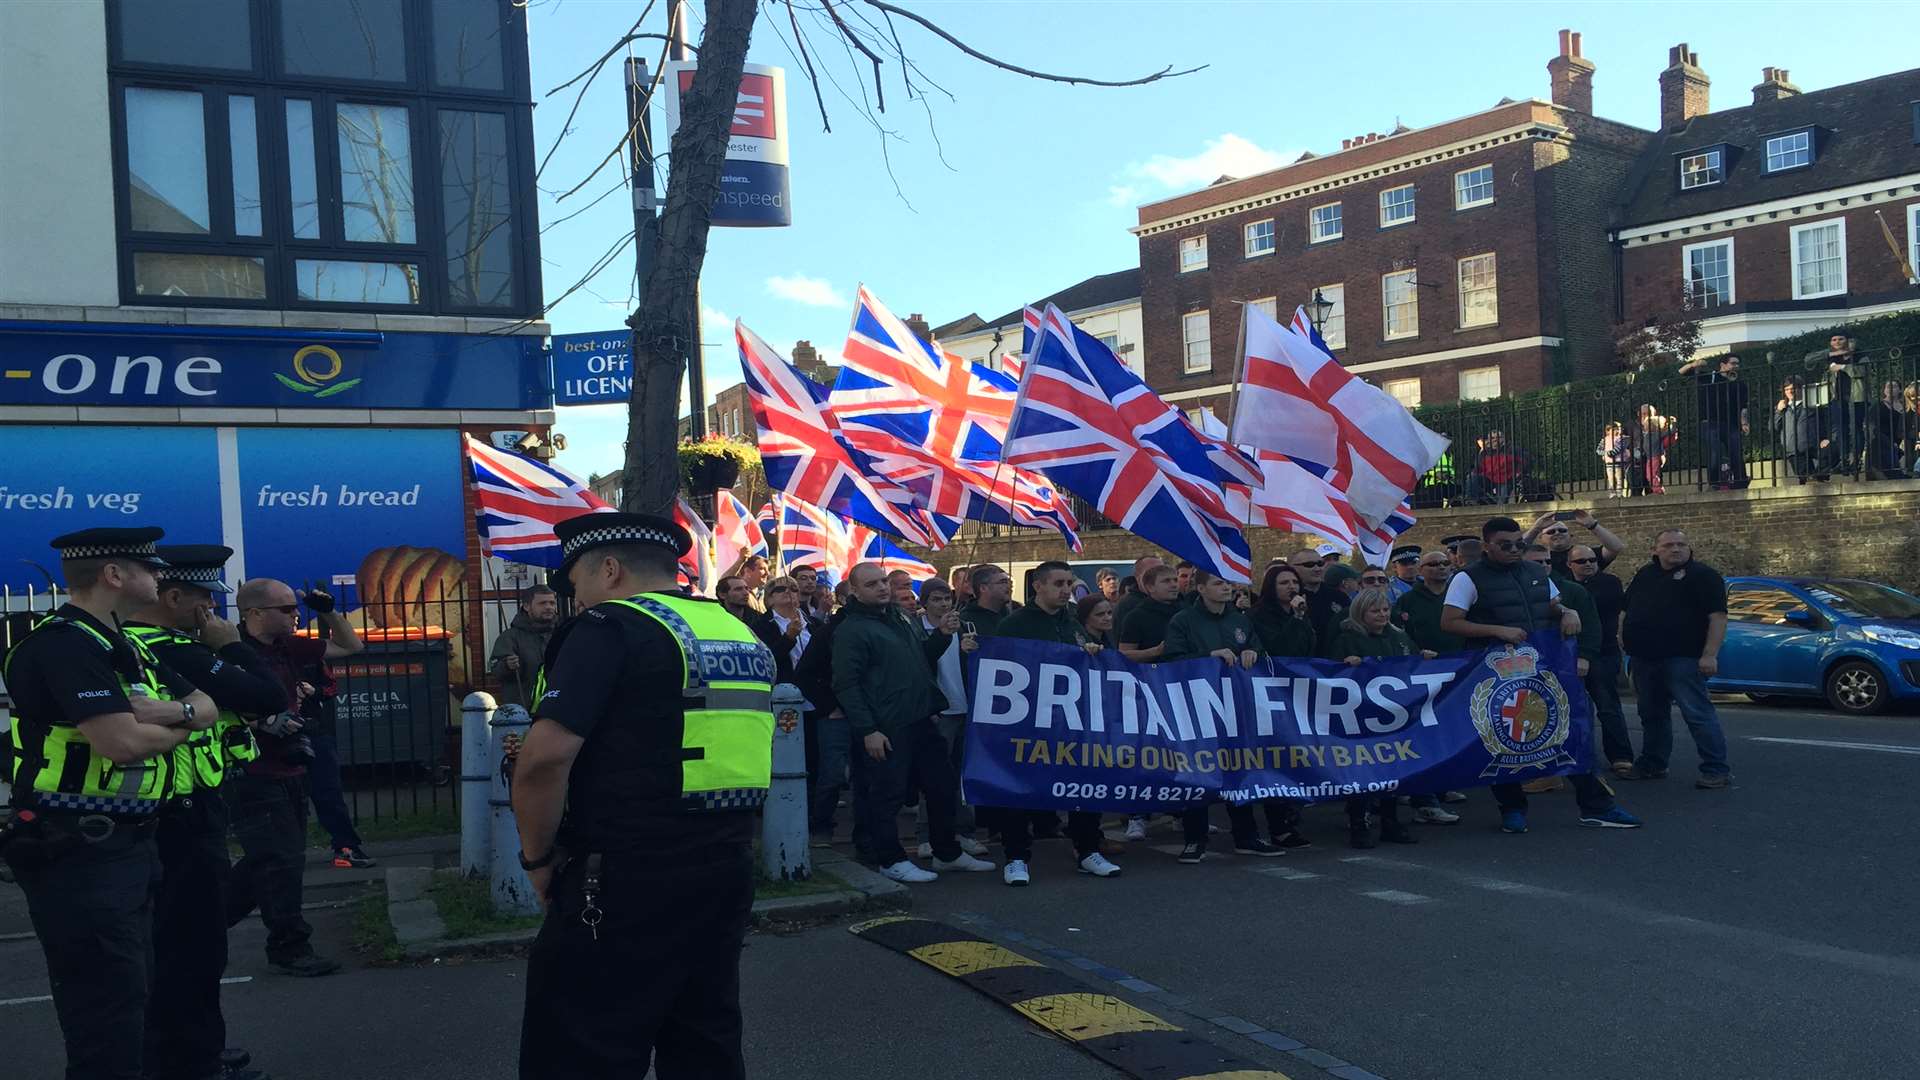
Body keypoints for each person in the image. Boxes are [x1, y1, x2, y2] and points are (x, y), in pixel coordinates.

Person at [513, 512, 776, 1078]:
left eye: (575, 581)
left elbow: (544, 759)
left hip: (623, 875)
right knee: (704, 1041)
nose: (574, 597)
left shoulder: (610, 626)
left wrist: (536, 859)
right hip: (724, 866)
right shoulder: (736, 631)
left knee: (583, 1047)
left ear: (608, 569)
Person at [1, 527, 217, 1080]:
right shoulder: (63, 645)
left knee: (133, 995)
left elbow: (208, 705)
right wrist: (180, 723)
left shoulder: (123, 643)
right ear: (114, 575)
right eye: (149, 568)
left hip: (129, 843)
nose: (160, 577)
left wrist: (171, 716)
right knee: (106, 1010)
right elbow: (120, 742)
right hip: (78, 849)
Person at [125, 545, 283, 1080]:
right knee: (192, 944)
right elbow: (268, 696)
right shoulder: (176, 650)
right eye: (203, 601)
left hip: (171, 810)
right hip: (183, 817)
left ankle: (190, 1049)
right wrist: (234, 646)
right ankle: (192, 1060)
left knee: (174, 942)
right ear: (173, 597)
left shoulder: (132, 645)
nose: (210, 614)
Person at [1438, 516, 1643, 834]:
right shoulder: (1467, 578)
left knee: (1567, 733)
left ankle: (1596, 806)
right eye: (1505, 545)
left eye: (1518, 543)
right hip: (1495, 673)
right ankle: (1513, 809)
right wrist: (1497, 630)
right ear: (1487, 546)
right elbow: (1450, 621)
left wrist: (1567, 612)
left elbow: (1552, 605)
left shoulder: (1535, 571)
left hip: (1541, 666)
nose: (1513, 549)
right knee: (1502, 743)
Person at [834, 563, 995, 884]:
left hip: (920, 718)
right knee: (887, 794)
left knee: (942, 785)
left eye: (883, 581)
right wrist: (868, 730)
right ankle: (890, 858)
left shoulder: (900, 618)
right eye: (871, 584)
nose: (881, 588)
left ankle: (946, 852)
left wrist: (942, 637)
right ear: (855, 591)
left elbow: (922, 656)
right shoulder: (851, 630)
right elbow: (846, 684)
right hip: (886, 724)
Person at [228, 578, 353, 974]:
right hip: (253, 771)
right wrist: (257, 720)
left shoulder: (289, 648)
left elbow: (351, 646)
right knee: (280, 861)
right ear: (254, 613)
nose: (294, 613)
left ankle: (195, 923)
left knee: (271, 860)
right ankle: (290, 945)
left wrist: (327, 610)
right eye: (285, 609)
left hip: (293, 764)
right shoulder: (229, 653)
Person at [989, 561, 1122, 884]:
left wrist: (1091, 653)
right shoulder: (1014, 625)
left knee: (1084, 783)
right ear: (1039, 586)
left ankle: (1087, 849)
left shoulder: (1074, 623)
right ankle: (1017, 856)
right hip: (1028, 720)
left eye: (1068, 583)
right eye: (1058, 583)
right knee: (1019, 789)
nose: (1065, 590)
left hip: (1072, 719)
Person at [1163, 569, 1285, 861]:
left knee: (1239, 768)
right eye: (1219, 583)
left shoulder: (1240, 619)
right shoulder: (1182, 621)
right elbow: (1171, 660)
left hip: (1235, 707)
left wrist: (1252, 653)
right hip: (1197, 708)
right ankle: (1195, 838)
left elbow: (1259, 649)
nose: (1226, 588)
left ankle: (1247, 835)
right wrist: (1208, 658)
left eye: (1228, 583)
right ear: (1201, 588)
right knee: (1198, 771)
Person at [1620, 529, 1733, 789]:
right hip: (1644, 657)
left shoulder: (1704, 576)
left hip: (1684, 657)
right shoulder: (1645, 575)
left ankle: (1716, 769)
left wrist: (1710, 655)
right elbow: (1627, 609)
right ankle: (1653, 763)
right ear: (1656, 550)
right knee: (1651, 713)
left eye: (1681, 544)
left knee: (1697, 713)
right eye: (1669, 545)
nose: (1675, 549)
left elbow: (1718, 617)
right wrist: (1622, 637)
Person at [1322, 587, 1426, 848]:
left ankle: (1391, 822)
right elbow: (1330, 672)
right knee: (1362, 771)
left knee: (1393, 768)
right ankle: (1360, 823)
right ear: (1361, 612)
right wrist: (1346, 664)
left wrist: (1424, 658)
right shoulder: (1348, 638)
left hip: (1395, 714)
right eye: (1375, 610)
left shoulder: (1399, 637)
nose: (1382, 614)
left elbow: (1411, 662)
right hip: (1360, 716)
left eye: (1385, 609)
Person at [913, 580, 986, 860]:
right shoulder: (917, 629)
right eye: (936, 599)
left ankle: (964, 832)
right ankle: (925, 833)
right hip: (939, 711)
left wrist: (969, 652)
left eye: (947, 598)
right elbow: (920, 665)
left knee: (961, 775)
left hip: (964, 706)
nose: (943, 604)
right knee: (932, 777)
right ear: (925, 602)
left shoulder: (964, 626)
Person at [1565, 544, 1632, 776]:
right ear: (1569, 565)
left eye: (1592, 560)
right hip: (1570, 654)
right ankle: (1579, 757)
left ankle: (1620, 756)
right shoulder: (1561, 585)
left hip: (1604, 652)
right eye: (1581, 561)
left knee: (1608, 707)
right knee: (1573, 710)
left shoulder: (1609, 583)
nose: (1589, 564)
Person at [1680, 353, 1750, 490]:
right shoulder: (1710, 377)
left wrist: (1744, 422)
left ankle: (1740, 481)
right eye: (1733, 363)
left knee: (1736, 451)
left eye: (1737, 364)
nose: (1736, 366)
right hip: (1709, 422)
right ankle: (1715, 482)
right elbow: (1682, 372)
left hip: (1731, 423)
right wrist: (1694, 364)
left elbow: (1743, 407)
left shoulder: (1739, 383)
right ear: (1723, 365)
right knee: (1715, 450)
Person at [489, 584, 559, 711]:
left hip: (556, 711)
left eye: (552, 603)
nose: (549, 607)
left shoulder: (562, 633)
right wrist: (506, 665)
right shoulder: (510, 637)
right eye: (542, 603)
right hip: (523, 712)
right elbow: (495, 670)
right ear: (527, 606)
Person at [1522, 509, 1627, 576]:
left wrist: (1593, 525)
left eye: (1562, 530)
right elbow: (1514, 549)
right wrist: (1536, 528)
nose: (1557, 533)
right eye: (1551, 531)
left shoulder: (1587, 556)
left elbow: (1616, 547)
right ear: (1541, 538)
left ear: (1571, 536)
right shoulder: (1537, 558)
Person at [1822, 335, 1870, 478]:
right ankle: (1843, 461)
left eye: (1841, 339)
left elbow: (1863, 372)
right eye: (1834, 340)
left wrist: (1843, 367)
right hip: (1837, 398)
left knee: (1856, 428)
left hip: (1857, 398)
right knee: (1841, 430)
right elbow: (1808, 360)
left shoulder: (1861, 357)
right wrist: (1831, 356)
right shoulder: (1831, 359)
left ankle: (1856, 460)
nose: (1837, 342)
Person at [1117, 564, 1183, 663]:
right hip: (1153, 674)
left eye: (1175, 580)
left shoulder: (1186, 611)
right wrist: (1156, 651)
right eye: (1166, 581)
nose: (1174, 585)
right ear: (1150, 587)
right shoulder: (1136, 617)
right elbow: (1123, 655)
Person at [1250, 563, 1315, 659]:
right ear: (1271, 586)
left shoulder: (1301, 612)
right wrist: (1296, 618)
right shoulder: (1258, 614)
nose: (1292, 586)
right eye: (1284, 583)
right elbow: (1279, 649)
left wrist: (1299, 616)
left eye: (1295, 582)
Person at [1774, 374, 1830, 484]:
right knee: (1806, 480)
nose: (1790, 392)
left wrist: (1825, 438)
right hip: (1794, 450)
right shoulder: (1782, 408)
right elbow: (1774, 428)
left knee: (1832, 452)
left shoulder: (1812, 404)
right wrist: (1778, 412)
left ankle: (1819, 475)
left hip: (1814, 445)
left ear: (1800, 389)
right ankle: (1817, 478)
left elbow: (1824, 422)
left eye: (1793, 388)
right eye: (1787, 389)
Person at [1465, 430, 1532, 504]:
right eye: (1492, 438)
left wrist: (1518, 472)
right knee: (1471, 478)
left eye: (1498, 437)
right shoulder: (1484, 452)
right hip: (1489, 478)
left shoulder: (1512, 449)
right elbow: (1478, 468)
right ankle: (1473, 501)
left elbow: (1525, 461)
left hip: (1506, 479)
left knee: (1501, 503)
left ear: (1503, 439)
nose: (1495, 439)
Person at [1629, 404, 1677, 496]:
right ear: (1639, 414)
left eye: (1648, 413)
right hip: (1639, 460)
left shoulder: (1658, 427)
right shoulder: (1632, 426)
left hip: (1655, 456)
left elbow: (1669, 435)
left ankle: (1657, 491)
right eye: (1643, 413)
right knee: (1640, 483)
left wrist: (1672, 423)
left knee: (1653, 476)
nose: (1645, 416)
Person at [959, 563, 1014, 637]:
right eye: (1003, 582)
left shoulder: (1013, 615)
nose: (1009, 586)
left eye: (1009, 582)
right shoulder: (964, 621)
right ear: (983, 588)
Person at [1111, 555, 1164, 630]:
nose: (1158, 576)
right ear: (1137, 576)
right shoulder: (1127, 606)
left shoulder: (1172, 601)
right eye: (1151, 572)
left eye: (1162, 571)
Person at [1868, 379, 1906, 479]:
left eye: (1894, 386)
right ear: (1884, 390)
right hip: (1882, 441)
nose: (1891, 389)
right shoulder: (1878, 406)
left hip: (1900, 442)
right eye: (1888, 386)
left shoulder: (1905, 406)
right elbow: (1873, 427)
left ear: (1900, 390)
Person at [1597, 420, 1630, 497]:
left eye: (1618, 429)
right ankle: (1612, 493)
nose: (1617, 431)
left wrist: (1611, 453)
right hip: (1609, 463)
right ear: (1608, 431)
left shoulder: (1622, 438)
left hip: (1619, 462)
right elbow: (1598, 450)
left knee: (1619, 478)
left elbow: (1621, 447)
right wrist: (1605, 453)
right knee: (1611, 479)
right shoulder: (1604, 440)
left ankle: (1619, 493)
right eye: (1614, 429)